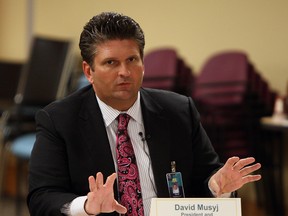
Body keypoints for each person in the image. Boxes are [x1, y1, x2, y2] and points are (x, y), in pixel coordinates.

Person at [27, 12, 261, 216]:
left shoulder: (178, 111)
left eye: (132, 60)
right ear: (89, 71)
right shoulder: (58, 120)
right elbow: (42, 197)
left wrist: (215, 184)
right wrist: (87, 205)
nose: (124, 72)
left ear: (143, 63)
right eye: (111, 63)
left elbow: (205, 176)